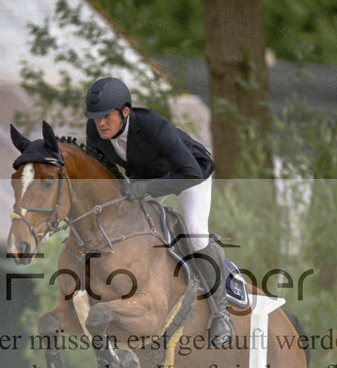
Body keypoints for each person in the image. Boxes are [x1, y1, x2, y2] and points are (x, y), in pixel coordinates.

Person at [84, 77, 233, 348]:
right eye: (96, 118)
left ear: (125, 112)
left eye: (107, 117)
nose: (101, 123)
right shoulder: (96, 132)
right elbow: (106, 172)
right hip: (147, 180)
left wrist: (146, 188)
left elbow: (189, 173)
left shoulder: (153, 126)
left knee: (196, 233)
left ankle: (221, 315)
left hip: (191, 175)